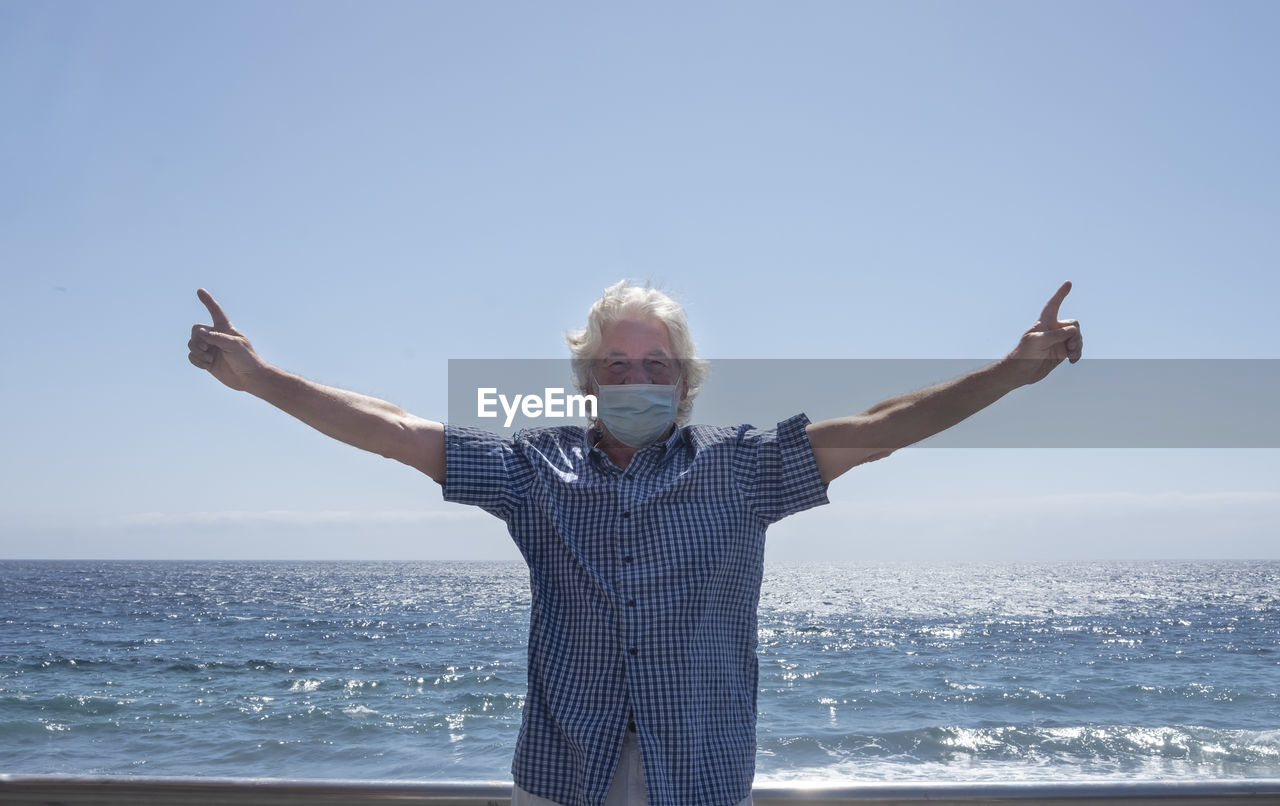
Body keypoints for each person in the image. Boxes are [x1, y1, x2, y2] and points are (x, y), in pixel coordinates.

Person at [187, 280, 1082, 806]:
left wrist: (1012, 373)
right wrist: (260, 379)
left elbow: (887, 423)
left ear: (685, 383)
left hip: (696, 772)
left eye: (656, 367)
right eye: (617, 367)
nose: (637, 381)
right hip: (561, 771)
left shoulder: (744, 471)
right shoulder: (533, 472)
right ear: (587, 383)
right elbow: (391, 427)